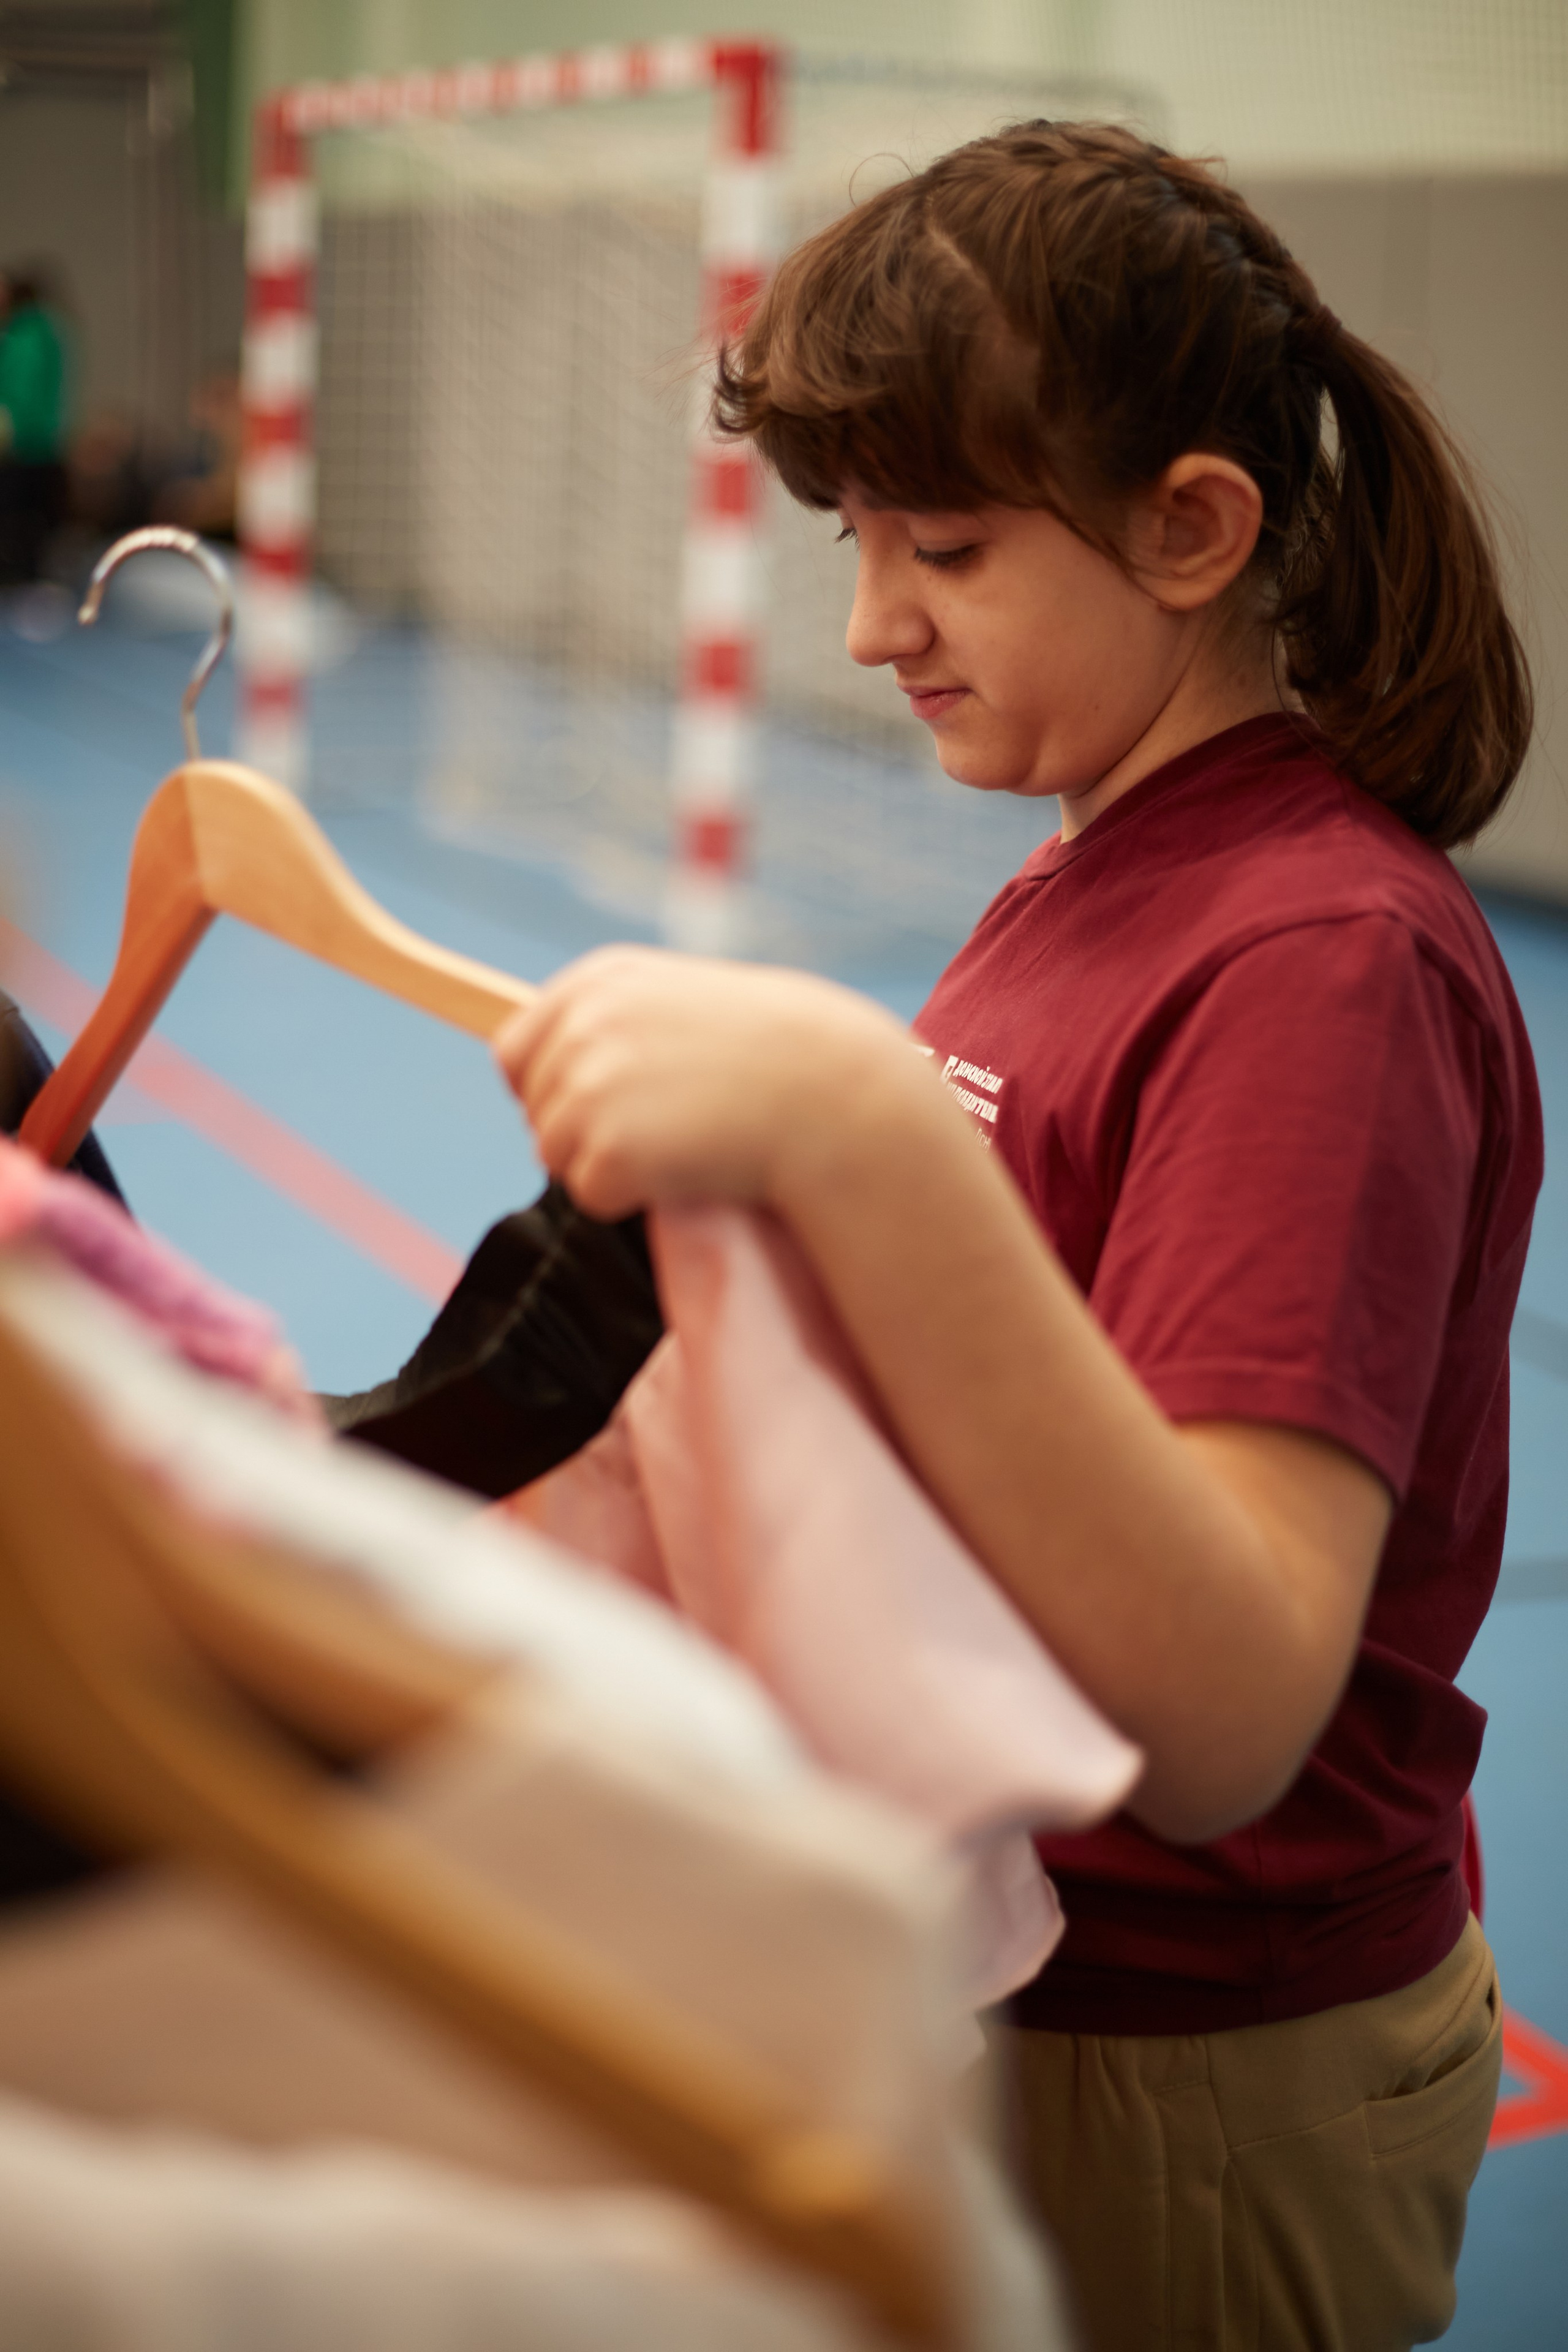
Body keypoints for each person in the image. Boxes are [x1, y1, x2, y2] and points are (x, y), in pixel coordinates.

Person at [492, 123, 1540, 2352]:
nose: (871, 624)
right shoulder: (1087, 869)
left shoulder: (1312, 960)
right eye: (856, 543)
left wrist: (856, 1136)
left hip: (1196, 2070)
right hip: (1012, 1982)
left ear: (1189, 529)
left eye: (942, 549)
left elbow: (1229, 1706)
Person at [0, 266, 70, 586]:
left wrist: (10, 423)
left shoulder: (29, 332)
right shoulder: (27, 331)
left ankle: (28, 580)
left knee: (24, 522)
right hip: (31, 443)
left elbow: (25, 393)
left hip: (29, 445)